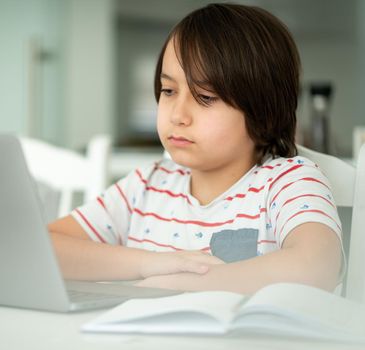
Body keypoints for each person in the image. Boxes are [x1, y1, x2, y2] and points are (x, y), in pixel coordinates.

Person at [48, 3, 343, 294]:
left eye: (205, 96)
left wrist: (180, 285)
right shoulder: (147, 185)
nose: (177, 115)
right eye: (168, 91)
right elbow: (45, 246)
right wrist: (150, 264)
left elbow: (316, 265)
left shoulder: (288, 181)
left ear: (263, 108)